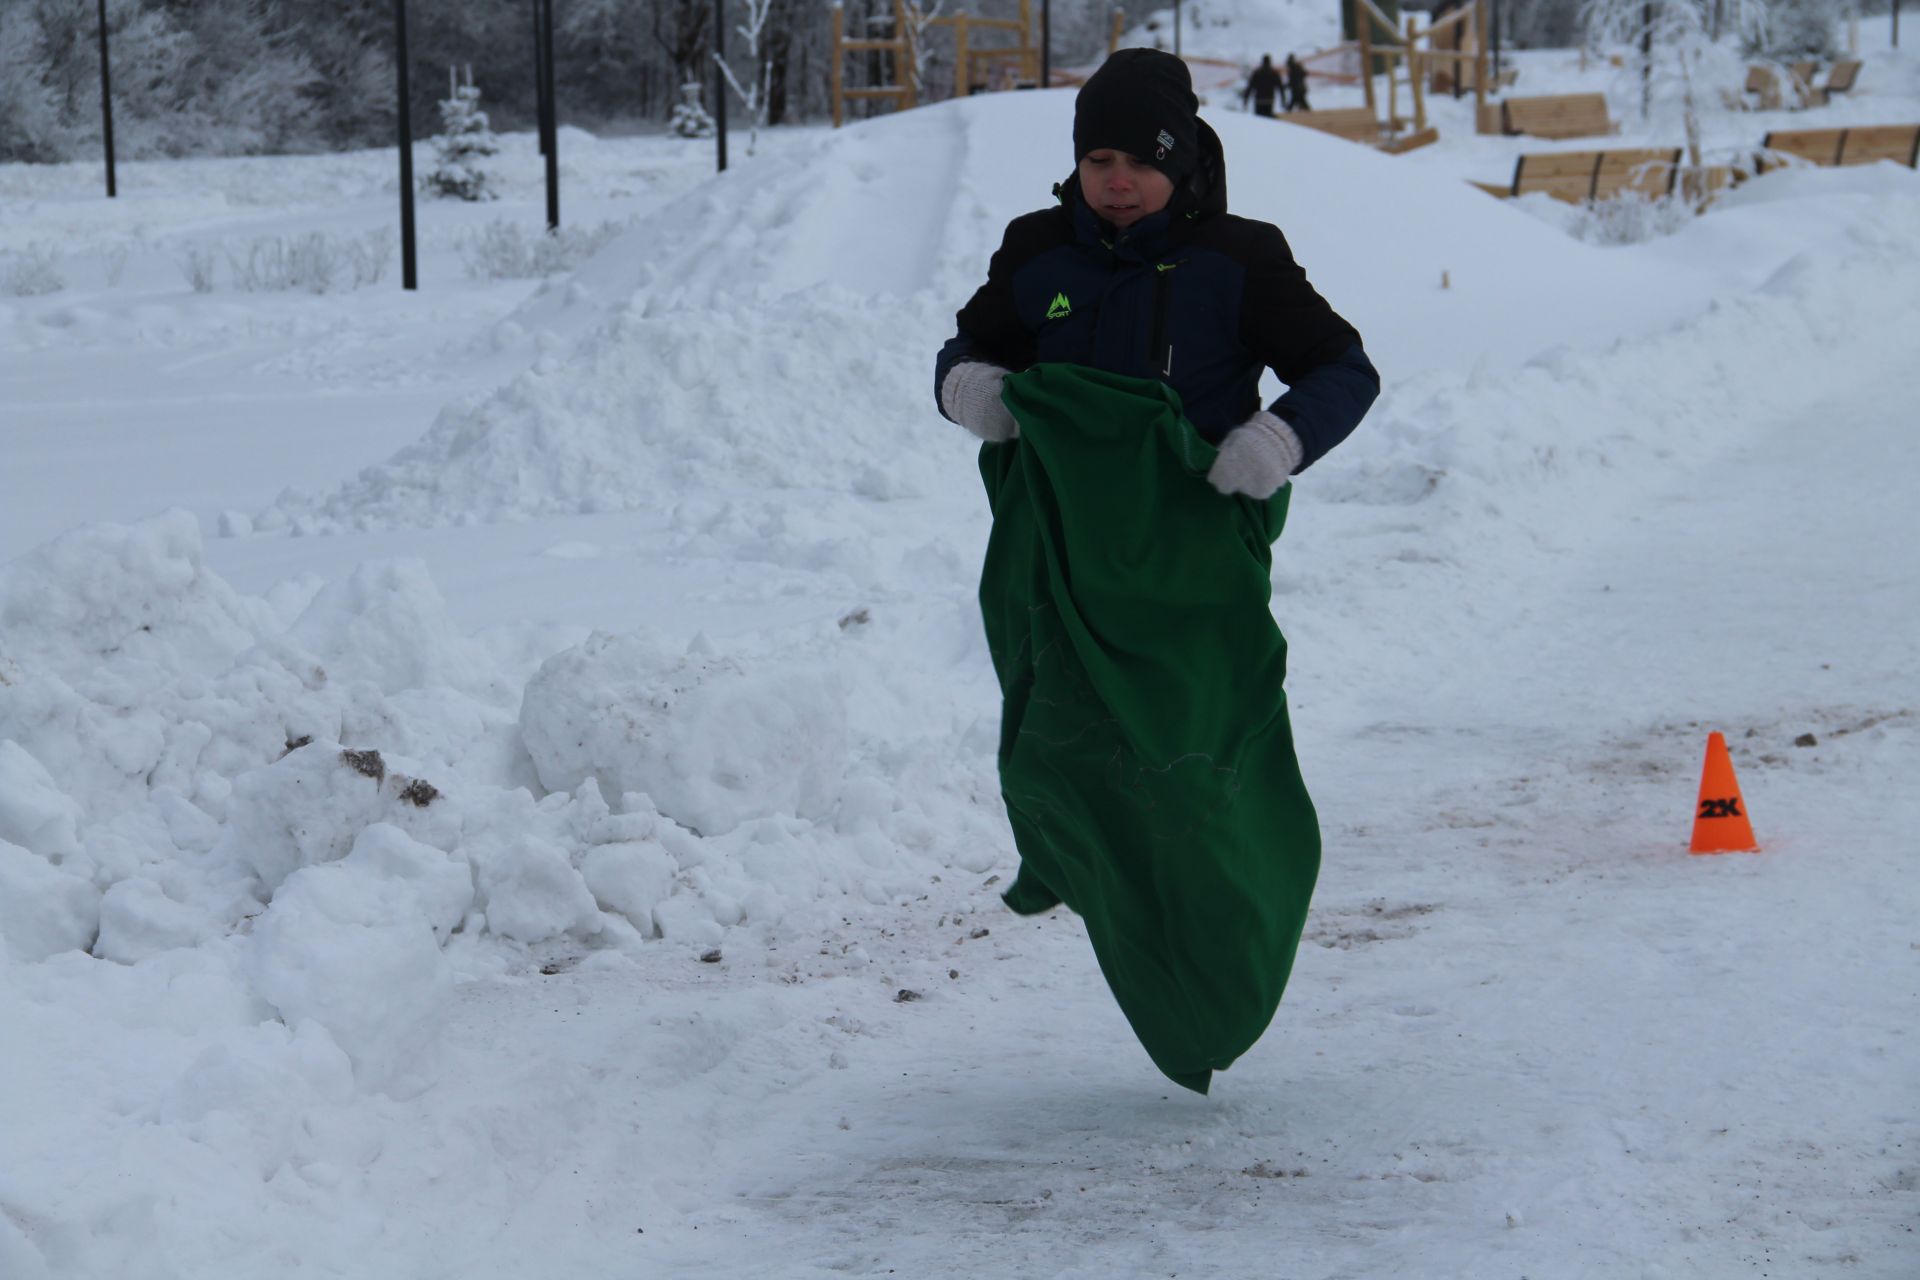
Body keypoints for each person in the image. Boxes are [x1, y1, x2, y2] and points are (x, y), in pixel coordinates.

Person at [932, 48, 1379, 1093]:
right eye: (1098, 157)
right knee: (1063, 748)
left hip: (1191, 571)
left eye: (1140, 158)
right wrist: (971, 389)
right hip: (1068, 569)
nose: (1118, 178)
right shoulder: (1039, 255)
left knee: (1202, 771)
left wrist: (1279, 438)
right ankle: (1088, 865)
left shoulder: (1240, 259)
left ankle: (1226, 956)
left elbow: (1343, 367)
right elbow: (963, 347)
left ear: (1182, 162)